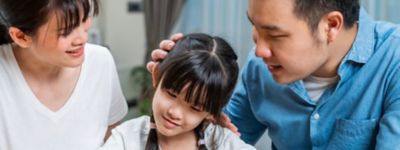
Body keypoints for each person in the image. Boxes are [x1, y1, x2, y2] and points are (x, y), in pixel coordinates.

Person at [149, 0, 400, 149]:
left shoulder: (393, 61)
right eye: (255, 27)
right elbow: (217, 137)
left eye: (275, 35)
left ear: (331, 26)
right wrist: (179, 88)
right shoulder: (261, 68)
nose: (259, 49)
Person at [0, 0, 127, 150]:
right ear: (21, 36)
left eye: (84, 19)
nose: (82, 39)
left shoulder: (101, 62)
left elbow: (112, 136)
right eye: (66, 31)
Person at [100, 33, 255, 150]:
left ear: (211, 112)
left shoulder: (224, 143)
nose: (175, 112)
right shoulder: (126, 138)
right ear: (156, 75)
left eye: (195, 108)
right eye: (172, 94)